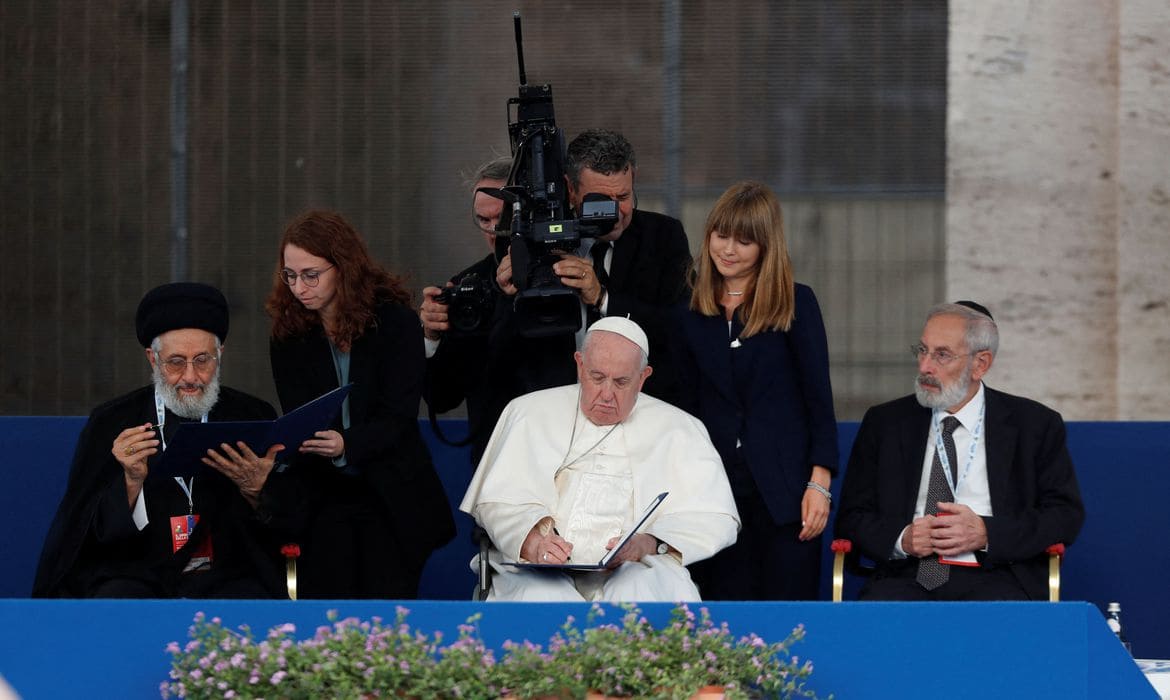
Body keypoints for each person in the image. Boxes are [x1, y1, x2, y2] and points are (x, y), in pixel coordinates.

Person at [424, 130, 693, 464]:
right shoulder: (481, 281)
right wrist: (435, 335)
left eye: (623, 196)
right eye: (599, 200)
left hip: (638, 449)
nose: (614, 211)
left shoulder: (662, 239)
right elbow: (446, 394)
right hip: (537, 458)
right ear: (570, 189)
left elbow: (682, 335)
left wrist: (603, 298)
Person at [33, 283, 296, 597]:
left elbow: (283, 522)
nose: (190, 377)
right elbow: (83, 531)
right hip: (141, 573)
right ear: (152, 359)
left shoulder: (253, 414)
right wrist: (130, 481)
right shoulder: (112, 421)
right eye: (175, 362)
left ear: (220, 354)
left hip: (227, 573)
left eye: (202, 360)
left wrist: (257, 491)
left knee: (251, 597)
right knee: (116, 598)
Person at [460, 316, 740, 602]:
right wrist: (532, 541)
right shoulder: (528, 412)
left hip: (636, 568)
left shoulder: (681, 429)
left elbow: (712, 518)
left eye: (621, 382)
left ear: (643, 378)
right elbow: (497, 502)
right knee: (543, 599)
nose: (607, 394)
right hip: (539, 569)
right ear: (580, 364)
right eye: (597, 377)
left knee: (643, 593)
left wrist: (648, 544)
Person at [834, 301, 1086, 600]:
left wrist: (986, 533)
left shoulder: (1033, 425)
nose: (925, 367)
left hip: (998, 574)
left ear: (981, 364)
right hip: (905, 575)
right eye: (923, 350)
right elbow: (851, 517)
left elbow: (1064, 516)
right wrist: (903, 538)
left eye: (942, 355)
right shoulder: (886, 422)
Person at [266, 209, 455, 598]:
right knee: (328, 613)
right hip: (325, 494)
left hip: (391, 493)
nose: (299, 287)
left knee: (387, 615)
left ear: (343, 267)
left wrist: (346, 444)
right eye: (290, 275)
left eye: (310, 274)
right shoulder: (288, 333)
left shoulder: (395, 322)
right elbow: (302, 413)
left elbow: (400, 416)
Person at [674, 181, 839, 600]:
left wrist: (818, 485)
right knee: (722, 620)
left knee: (787, 619)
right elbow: (686, 406)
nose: (728, 249)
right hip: (715, 497)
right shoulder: (689, 311)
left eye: (744, 241)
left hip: (786, 499)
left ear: (766, 246)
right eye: (721, 235)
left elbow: (818, 400)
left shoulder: (797, 304)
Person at [418, 156, 512, 452]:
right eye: (484, 220)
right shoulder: (467, 286)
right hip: (494, 458)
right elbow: (442, 398)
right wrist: (430, 337)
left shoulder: (571, 274)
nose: (494, 230)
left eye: (503, 217)